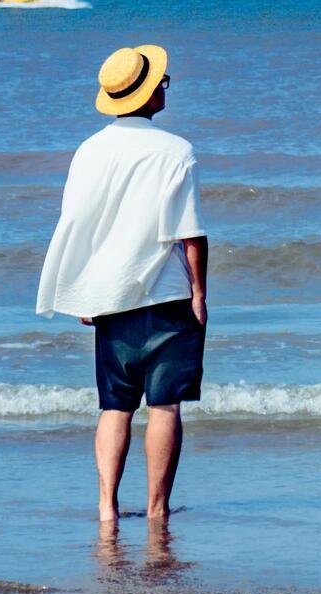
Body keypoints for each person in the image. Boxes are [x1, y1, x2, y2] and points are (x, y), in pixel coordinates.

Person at [35, 43, 208, 533]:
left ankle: (106, 509)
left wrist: (80, 287)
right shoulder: (176, 151)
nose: (165, 88)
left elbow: (76, 224)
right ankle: (156, 510)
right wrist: (200, 292)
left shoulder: (89, 150)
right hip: (166, 293)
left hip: (109, 295)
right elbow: (190, 232)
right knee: (164, 405)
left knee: (115, 406)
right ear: (148, 94)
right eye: (162, 82)